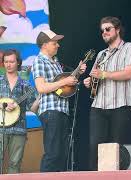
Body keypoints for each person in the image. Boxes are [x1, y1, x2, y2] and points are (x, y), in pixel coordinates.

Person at [83, 16, 131, 171]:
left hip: (121, 104)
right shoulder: (101, 54)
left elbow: (129, 73)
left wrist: (104, 74)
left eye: (108, 29)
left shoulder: (130, 47)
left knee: (117, 148)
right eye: (102, 30)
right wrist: (89, 82)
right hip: (99, 105)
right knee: (94, 148)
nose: (104, 32)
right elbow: (95, 77)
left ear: (117, 29)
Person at [32, 29, 86, 172]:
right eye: (54, 42)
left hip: (62, 111)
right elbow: (41, 88)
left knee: (62, 155)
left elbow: (64, 87)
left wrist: (77, 73)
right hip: (51, 112)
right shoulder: (39, 61)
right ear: (44, 45)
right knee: (53, 154)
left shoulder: (56, 62)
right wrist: (65, 81)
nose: (58, 45)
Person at [0, 49, 38, 173]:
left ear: (18, 63)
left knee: (15, 164)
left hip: (19, 129)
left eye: (11, 61)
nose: (8, 64)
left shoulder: (25, 85)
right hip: (0, 127)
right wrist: (2, 105)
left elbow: (33, 107)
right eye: (6, 62)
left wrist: (41, 97)